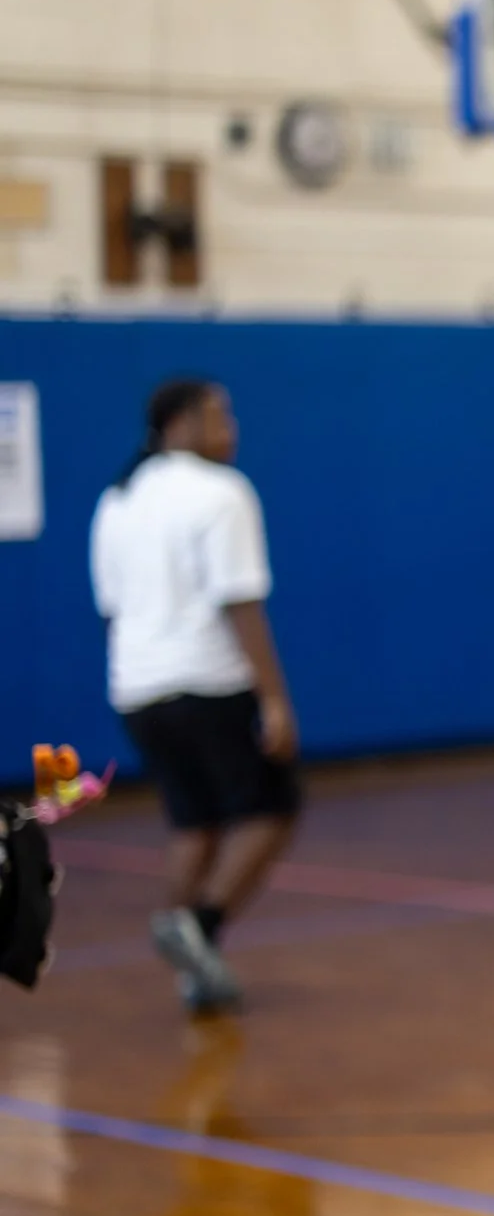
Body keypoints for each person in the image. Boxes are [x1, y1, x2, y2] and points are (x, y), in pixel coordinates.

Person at [90, 379, 301, 1016]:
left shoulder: (118, 500)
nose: (230, 427)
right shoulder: (222, 493)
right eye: (219, 415)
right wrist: (274, 700)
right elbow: (239, 599)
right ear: (178, 424)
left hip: (136, 687)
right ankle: (198, 928)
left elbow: (111, 607)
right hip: (209, 682)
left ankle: (192, 961)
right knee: (272, 809)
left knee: (193, 821)